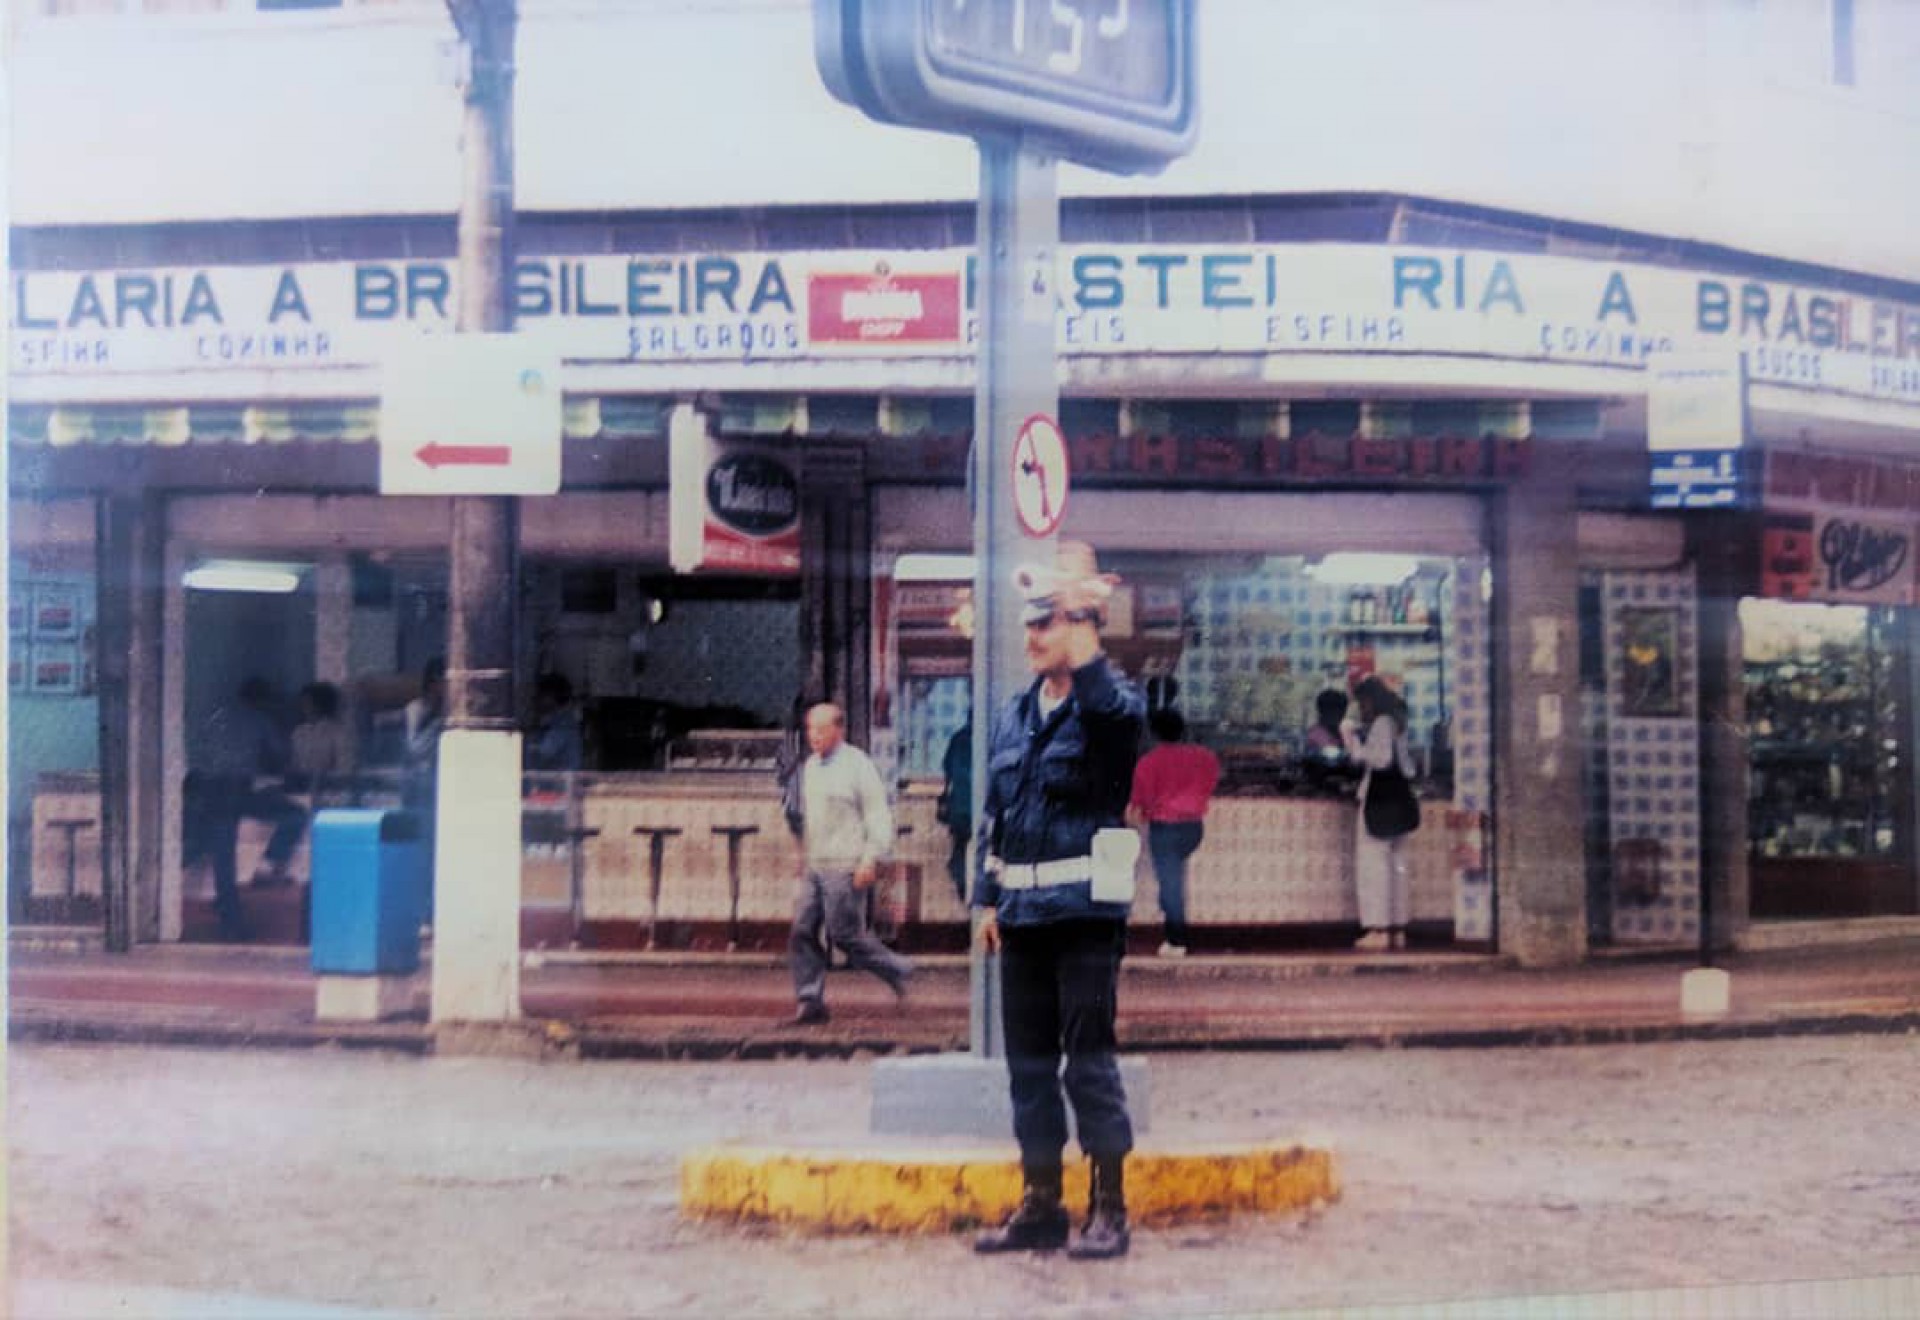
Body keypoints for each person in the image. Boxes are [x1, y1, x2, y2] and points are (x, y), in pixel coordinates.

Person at [973, 541, 1145, 1262]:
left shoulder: (1113, 707)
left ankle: (1109, 1206)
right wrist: (986, 901)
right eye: (1030, 625)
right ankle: (1041, 1202)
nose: (1032, 637)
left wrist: (1085, 638)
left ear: (1079, 630)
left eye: (1045, 624)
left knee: (1089, 1063)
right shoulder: (1014, 718)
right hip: (1022, 924)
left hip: (1084, 922)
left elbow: (1108, 711)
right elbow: (996, 819)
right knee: (1031, 1066)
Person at [788, 701, 913, 1025]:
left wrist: (870, 859)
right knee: (801, 929)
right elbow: (809, 818)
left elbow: (877, 814)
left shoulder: (858, 765)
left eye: (820, 729)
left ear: (838, 730)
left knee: (844, 935)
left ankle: (898, 969)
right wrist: (802, 857)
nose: (813, 736)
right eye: (809, 729)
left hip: (846, 864)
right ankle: (809, 1000)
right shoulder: (810, 767)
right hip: (816, 864)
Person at [193, 676, 308, 939]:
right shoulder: (260, 720)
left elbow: (199, 754)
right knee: (295, 814)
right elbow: (280, 756)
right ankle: (267, 866)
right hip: (237, 788)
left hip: (207, 789)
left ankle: (228, 914)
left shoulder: (216, 719)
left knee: (224, 854)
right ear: (262, 701)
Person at [1126, 708, 1220, 958]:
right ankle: (1175, 931)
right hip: (1194, 828)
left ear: (1154, 733)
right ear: (1183, 729)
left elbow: (1140, 803)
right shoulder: (1205, 756)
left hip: (1165, 827)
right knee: (1174, 881)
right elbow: (1211, 783)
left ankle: (1177, 939)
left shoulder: (1148, 763)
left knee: (1170, 884)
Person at [1344, 675, 1416, 952]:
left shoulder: (1382, 723)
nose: (1362, 709)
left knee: (1373, 866)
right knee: (1397, 866)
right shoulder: (1399, 722)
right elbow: (1407, 766)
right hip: (1400, 798)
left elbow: (1380, 759)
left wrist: (1354, 744)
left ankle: (1377, 929)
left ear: (1369, 700)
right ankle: (1398, 928)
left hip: (1379, 799)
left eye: (1362, 703)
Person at [289, 681, 355, 801]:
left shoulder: (338, 732)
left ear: (319, 704)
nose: (303, 706)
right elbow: (295, 766)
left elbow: (345, 769)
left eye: (307, 702)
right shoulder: (299, 732)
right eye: (302, 702)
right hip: (303, 794)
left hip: (331, 795)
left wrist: (326, 783)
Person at [937, 715, 973, 904]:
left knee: (960, 853)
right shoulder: (992, 738)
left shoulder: (958, 739)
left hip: (960, 809)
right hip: (974, 810)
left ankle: (964, 892)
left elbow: (948, 771)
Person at [524, 672, 585, 772]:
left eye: (541, 695)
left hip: (559, 784)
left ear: (551, 697)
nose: (536, 699)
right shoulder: (551, 721)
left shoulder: (564, 723)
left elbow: (543, 753)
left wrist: (520, 743)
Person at [1302, 688, 1356, 794]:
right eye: (1331, 711)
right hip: (1321, 779)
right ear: (1321, 711)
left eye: (1340, 711)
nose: (1336, 716)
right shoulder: (1314, 734)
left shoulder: (1348, 730)